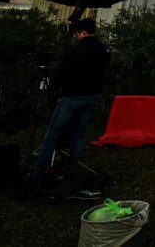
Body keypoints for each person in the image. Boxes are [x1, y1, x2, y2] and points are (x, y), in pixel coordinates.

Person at [33, 17, 110, 179]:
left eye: (77, 34)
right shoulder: (103, 50)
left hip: (73, 98)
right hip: (92, 97)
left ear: (82, 33)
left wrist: (55, 89)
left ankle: (37, 174)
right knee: (78, 136)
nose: (76, 37)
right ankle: (70, 172)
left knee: (52, 136)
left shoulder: (75, 51)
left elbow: (62, 73)